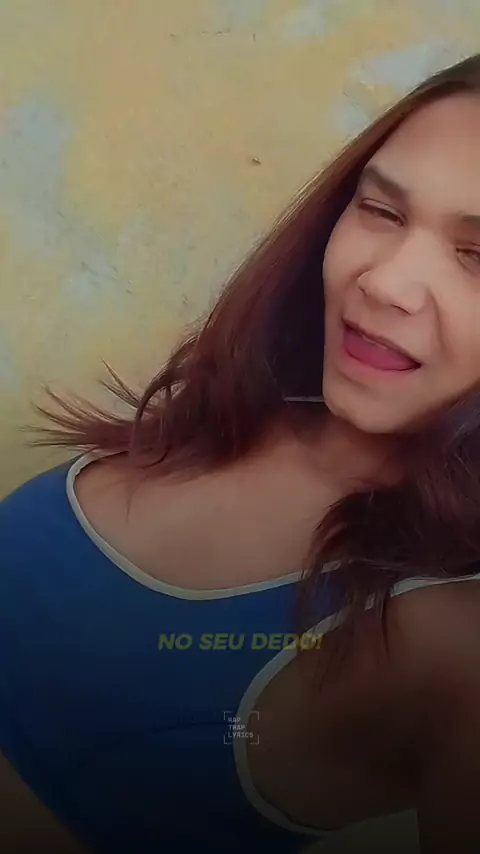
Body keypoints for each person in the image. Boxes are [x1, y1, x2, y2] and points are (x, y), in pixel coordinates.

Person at [2, 52, 480, 854]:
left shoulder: (455, 637)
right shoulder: (238, 410)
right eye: (381, 210)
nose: (385, 282)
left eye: (478, 257)